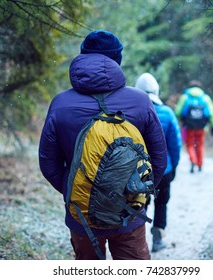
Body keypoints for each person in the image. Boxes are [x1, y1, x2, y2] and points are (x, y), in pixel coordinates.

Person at [38, 30, 167, 260]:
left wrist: (75, 189)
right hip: (129, 212)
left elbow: (48, 162)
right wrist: (137, 193)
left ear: (82, 58)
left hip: (81, 214)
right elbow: (158, 156)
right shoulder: (140, 101)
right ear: (117, 60)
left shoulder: (60, 104)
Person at [135, 73, 181, 252]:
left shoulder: (131, 113)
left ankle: (138, 243)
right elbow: (175, 145)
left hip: (138, 172)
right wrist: (173, 166)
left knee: (138, 204)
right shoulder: (167, 113)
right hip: (164, 170)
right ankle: (158, 238)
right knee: (161, 202)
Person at [175, 80, 213, 173]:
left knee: (190, 144)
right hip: (201, 127)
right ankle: (200, 164)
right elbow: (211, 113)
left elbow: (178, 112)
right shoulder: (205, 97)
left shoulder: (185, 97)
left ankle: (193, 161)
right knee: (200, 145)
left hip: (189, 126)